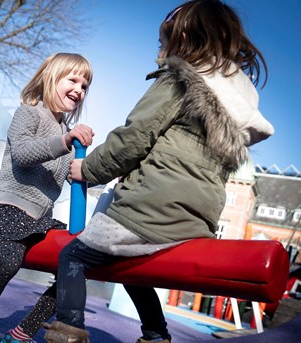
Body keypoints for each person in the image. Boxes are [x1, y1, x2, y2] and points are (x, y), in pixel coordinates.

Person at [42, 1, 274, 342]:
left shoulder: (179, 81)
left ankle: (68, 330)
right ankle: (155, 334)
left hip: (151, 209)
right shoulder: (233, 109)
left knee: (73, 257)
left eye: (162, 42)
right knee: (131, 266)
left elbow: (132, 139)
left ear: (181, 38)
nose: (159, 53)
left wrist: (87, 170)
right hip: (197, 222)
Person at [0, 52, 95, 343]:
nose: (79, 90)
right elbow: (23, 153)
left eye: (85, 85)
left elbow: (77, 175)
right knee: (9, 259)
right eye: (73, 80)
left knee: (76, 268)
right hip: (8, 209)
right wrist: (65, 141)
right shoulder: (28, 113)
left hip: (39, 221)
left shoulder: (66, 134)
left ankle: (22, 332)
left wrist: (100, 169)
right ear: (51, 78)